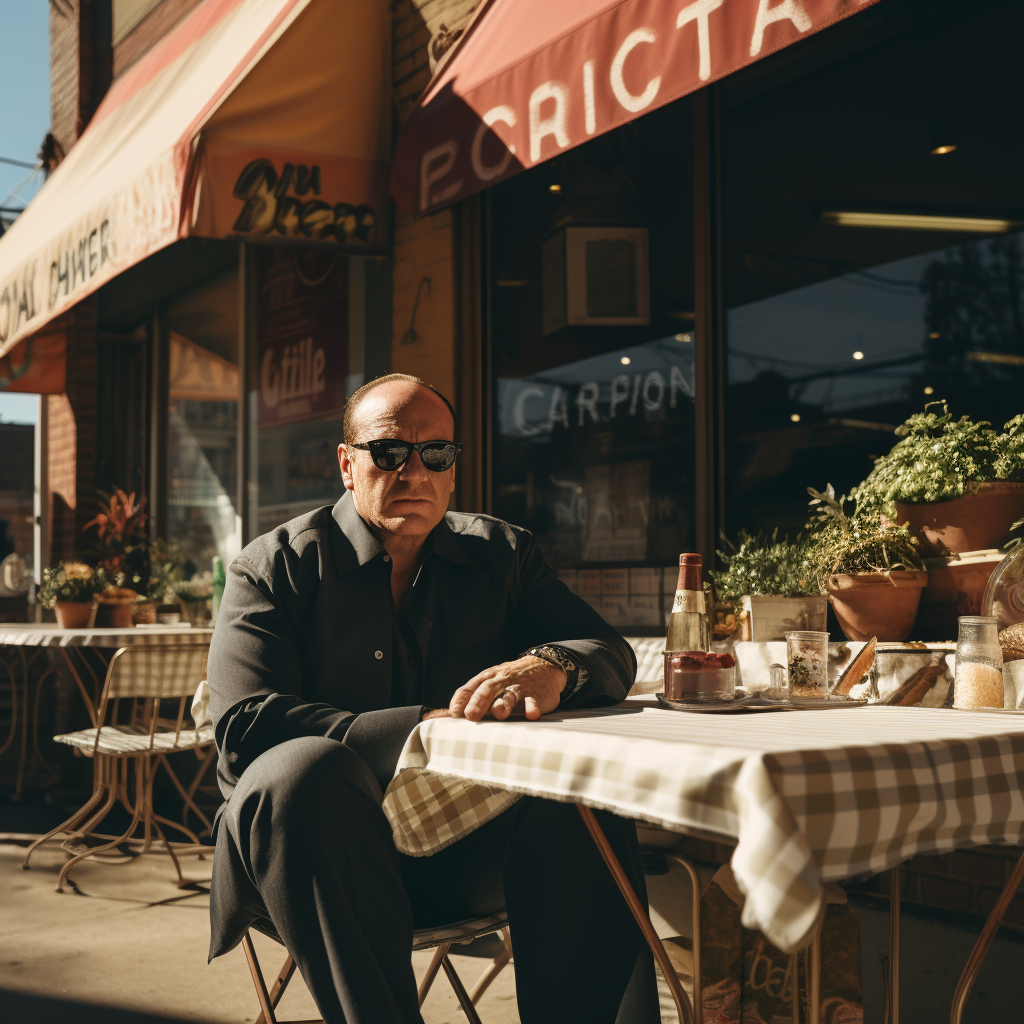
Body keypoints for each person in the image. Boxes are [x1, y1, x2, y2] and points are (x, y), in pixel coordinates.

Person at [207, 374, 658, 1024]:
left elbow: (607, 649)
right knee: (304, 773)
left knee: (578, 792)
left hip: (460, 850)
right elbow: (247, 726)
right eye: (388, 453)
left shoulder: (502, 555)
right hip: (309, 859)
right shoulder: (272, 567)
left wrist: (551, 666)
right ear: (347, 464)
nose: (413, 472)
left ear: (452, 470)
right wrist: (424, 729)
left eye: (436, 454)